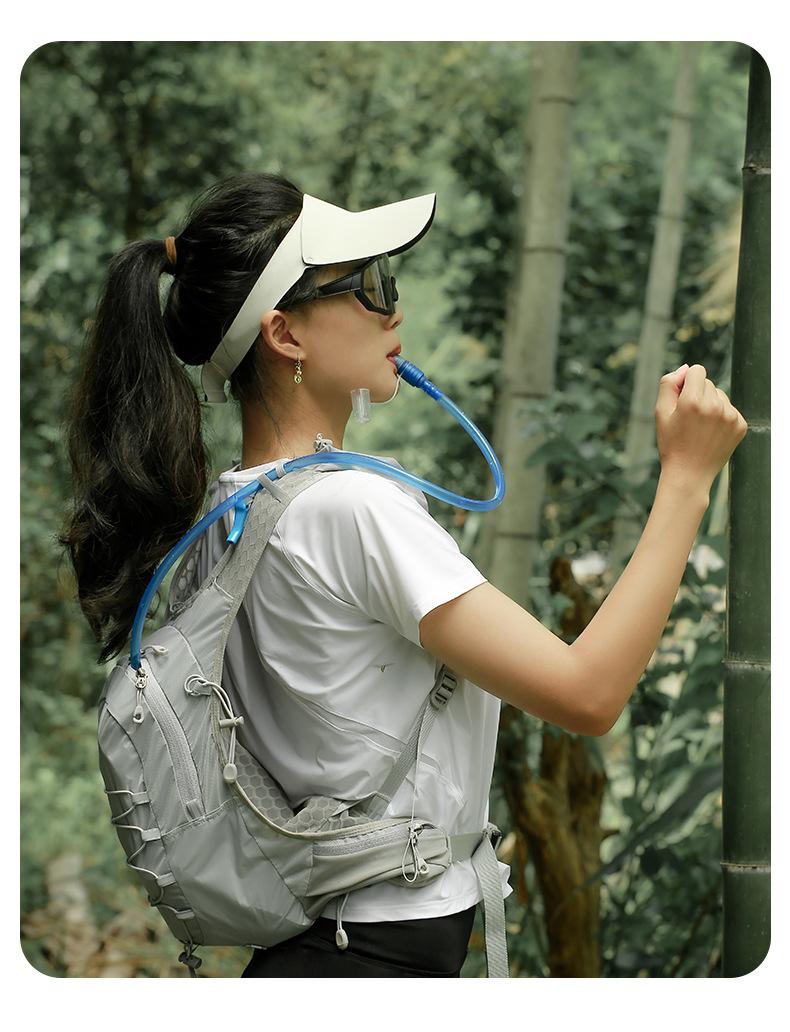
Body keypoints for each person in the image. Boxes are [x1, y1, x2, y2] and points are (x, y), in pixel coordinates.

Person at [60, 170, 747, 978]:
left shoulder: (227, 515)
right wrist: (686, 481)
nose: (394, 310)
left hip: (319, 956)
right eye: (368, 285)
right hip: (370, 962)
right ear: (285, 335)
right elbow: (587, 694)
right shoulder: (352, 509)